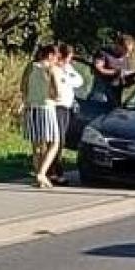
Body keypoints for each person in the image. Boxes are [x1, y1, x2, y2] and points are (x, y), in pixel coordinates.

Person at [19, 44, 62, 189]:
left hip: (31, 108)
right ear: (50, 55)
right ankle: (42, 173)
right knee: (54, 143)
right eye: (56, 57)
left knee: (37, 146)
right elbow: (57, 92)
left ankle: (39, 177)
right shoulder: (51, 69)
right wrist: (55, 97)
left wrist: (28, 99)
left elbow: (22, 87)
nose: (57, 60)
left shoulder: (30, 67)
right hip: (46, 108)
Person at [48, 43, 84, 183]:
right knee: (57, 140)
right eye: (69, 57)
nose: (70, 60)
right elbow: (60, 83)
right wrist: (65, 78)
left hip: (66, 107)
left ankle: (55, 170)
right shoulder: (55, 67)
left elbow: (79, 81)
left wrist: (67, 77)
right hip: (57, 106)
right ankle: (54, 171)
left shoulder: (68, 68)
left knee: (61, 140)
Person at [92, 33, 135, 106]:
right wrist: (117, 72)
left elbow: (122, 77)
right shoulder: (103, 53)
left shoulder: (125, 58)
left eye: (130, 51)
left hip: (116, 94)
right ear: (118, 46)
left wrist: (131, 80)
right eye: (126, 50)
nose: (127, 53)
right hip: (102, 93)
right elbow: (99, 69)